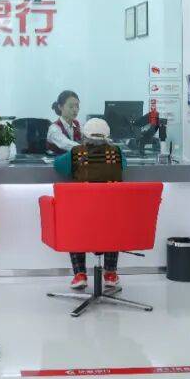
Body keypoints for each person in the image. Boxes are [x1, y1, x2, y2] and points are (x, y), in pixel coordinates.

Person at [53, 117, 127, 291]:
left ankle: (80, 274)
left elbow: (58, 165)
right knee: (112, 224)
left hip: (83, 217)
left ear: (84, 136)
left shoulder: (75, 153)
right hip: (111, 216)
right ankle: (110, 274)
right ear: (107, 137)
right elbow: (123, 166)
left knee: (74, 223)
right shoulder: (117, 152)